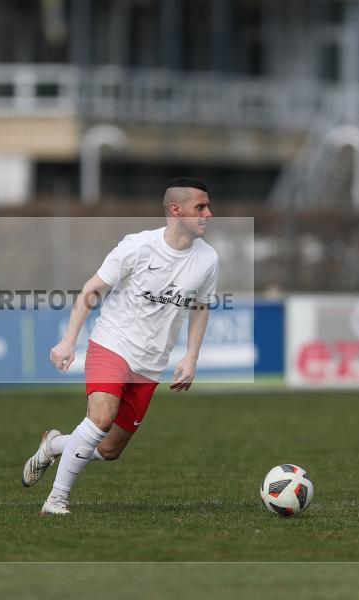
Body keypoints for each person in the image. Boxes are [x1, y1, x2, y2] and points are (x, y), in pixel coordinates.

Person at [22, 177, 219, 514]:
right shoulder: (138, 246)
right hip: (111, 344)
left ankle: (54, 445)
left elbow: (200, 307)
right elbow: (91, 289)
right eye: (201, 206)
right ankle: (56, 500)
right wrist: (69, 340)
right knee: (100, 418)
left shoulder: (208, 259)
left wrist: (190, 356)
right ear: (176, 209)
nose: (209, 214)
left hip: (150, 363)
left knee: (110, 449)